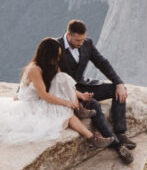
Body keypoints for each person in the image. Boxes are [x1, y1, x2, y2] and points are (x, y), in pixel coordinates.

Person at [53, 18, 133, 161]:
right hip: (67, 91)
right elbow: (42, 69)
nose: (81, 43)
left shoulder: (87, 43)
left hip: (84, 85)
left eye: (83, 39)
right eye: (78, 40)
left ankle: (120, 132)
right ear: (69, 35)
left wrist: (119, 83)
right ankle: (117, 145)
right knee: (94, 105)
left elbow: (102, 63)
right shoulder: (55, 46)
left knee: (118, 90)